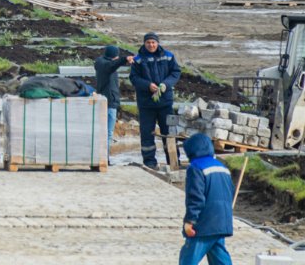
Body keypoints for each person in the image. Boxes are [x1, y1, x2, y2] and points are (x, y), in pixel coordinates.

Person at [178, 133, 235, 265]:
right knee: (219, 257)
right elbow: (230, 192)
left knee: (188, 257)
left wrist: (190, 220)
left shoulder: (196, 168)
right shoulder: (223, 167)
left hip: (205, 223)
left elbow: (195, 198)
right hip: (222, 221)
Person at [130, 32, 181, 169]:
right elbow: (134, 78)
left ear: (157, 43)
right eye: (148, 42)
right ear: (144, 43)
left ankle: (173, 161)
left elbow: (175, 72)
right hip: (146, 104)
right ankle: (150, 163)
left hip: (165, 103)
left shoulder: (168, 56)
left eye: (153, 42)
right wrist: (147, 85)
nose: (151, 45)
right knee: (147, 133)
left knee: (169, 132)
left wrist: (166, 84)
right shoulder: (138, 59)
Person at [94, 44, 134, 161]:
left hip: (107, 100)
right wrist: (124, 59)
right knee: (108, 133)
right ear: (115, 56)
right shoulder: (105, 65)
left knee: (104, 132)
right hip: (109, 102)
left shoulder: (101, 63)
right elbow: (112, 65)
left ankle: (101, 157)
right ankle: (103, 158)